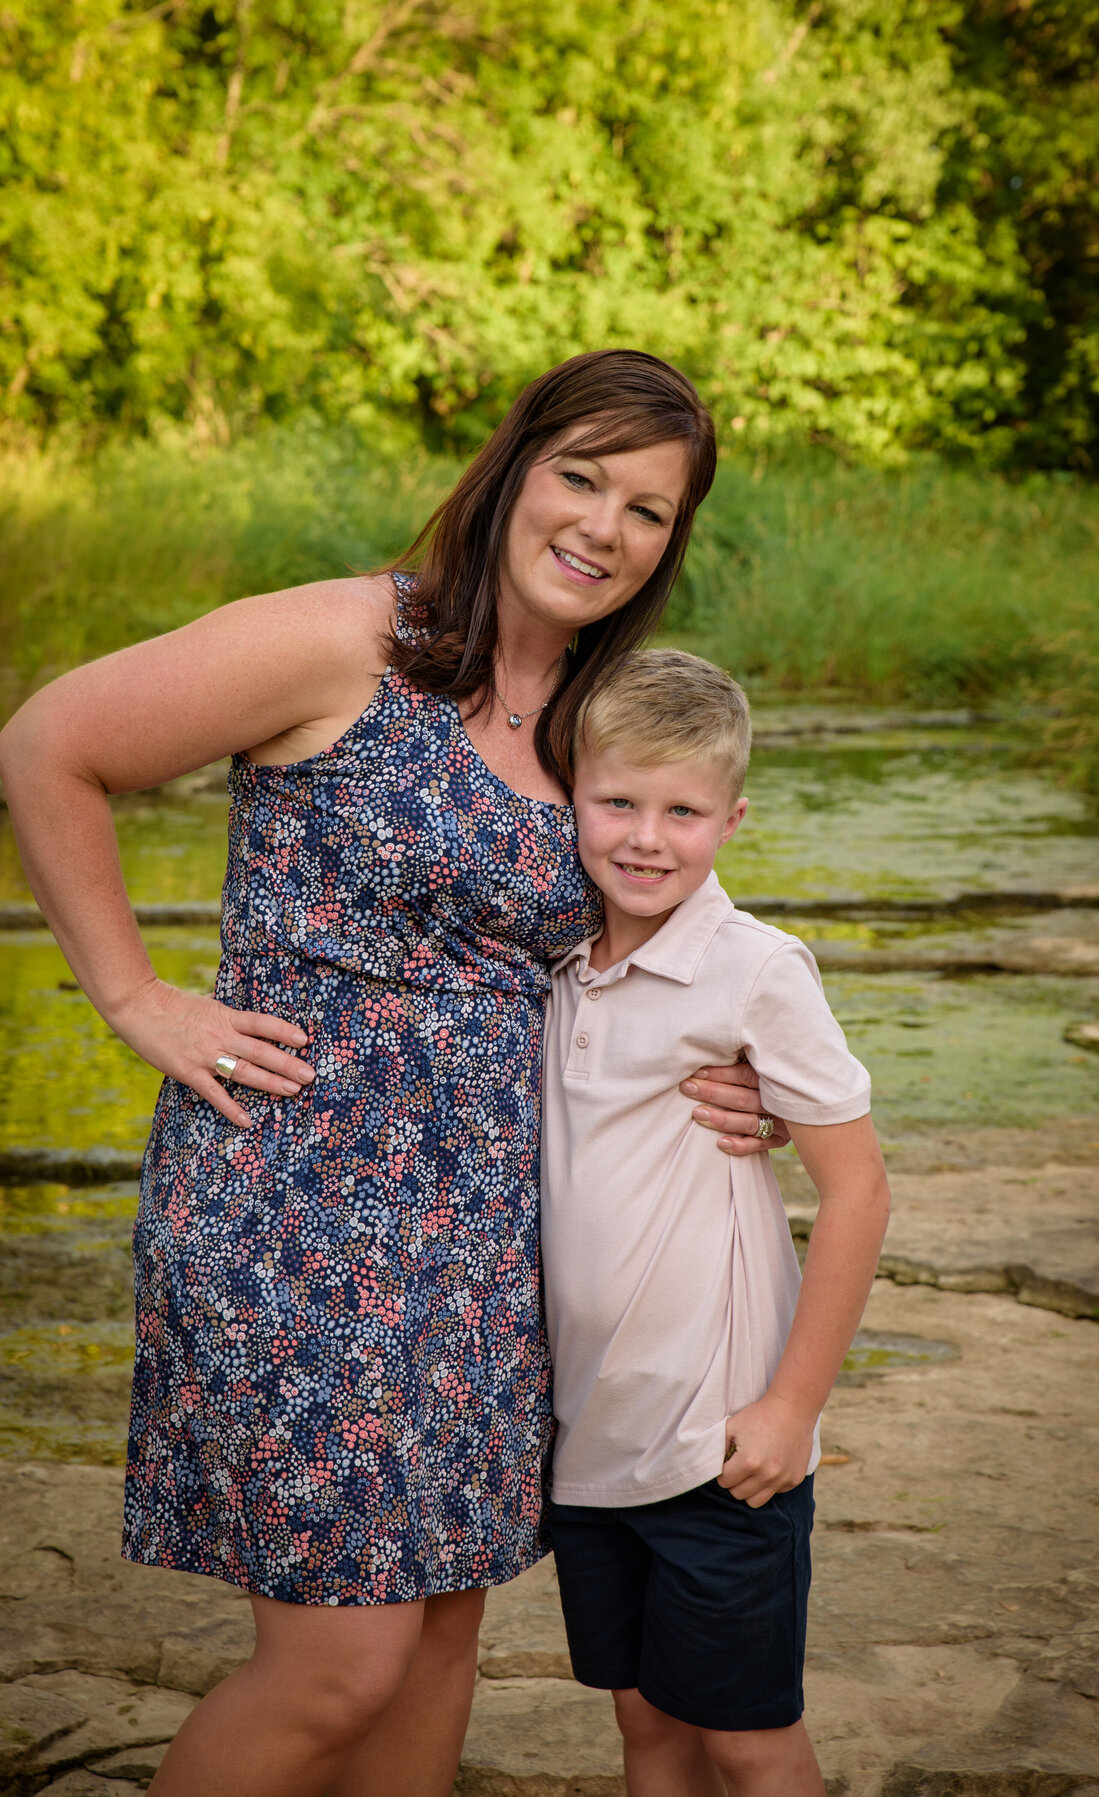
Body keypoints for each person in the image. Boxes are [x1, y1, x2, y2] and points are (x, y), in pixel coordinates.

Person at [0, 354, 784, 1797]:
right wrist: (133, 995)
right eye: (583, 478)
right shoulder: (352, 636)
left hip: (490, 1240)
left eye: (650, 510)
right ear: (515, 468)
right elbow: (50, 744)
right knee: (336, 1668)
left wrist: (735, 1086)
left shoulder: (599, 723)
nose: (606, 527)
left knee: (434, 1656)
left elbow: (644, 960)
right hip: (291, 1212)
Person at [540, 648, 892, 1797]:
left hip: (719, 1448)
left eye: (682, 810)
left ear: (731, 818)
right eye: (618, 802)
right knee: (647, 1732)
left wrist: (792, 1408)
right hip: (592, 1443)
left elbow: (861, 1190)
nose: (647, 837)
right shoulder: (549, 964)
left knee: (747, 1740)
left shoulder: (754, 971)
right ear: (572, 798)